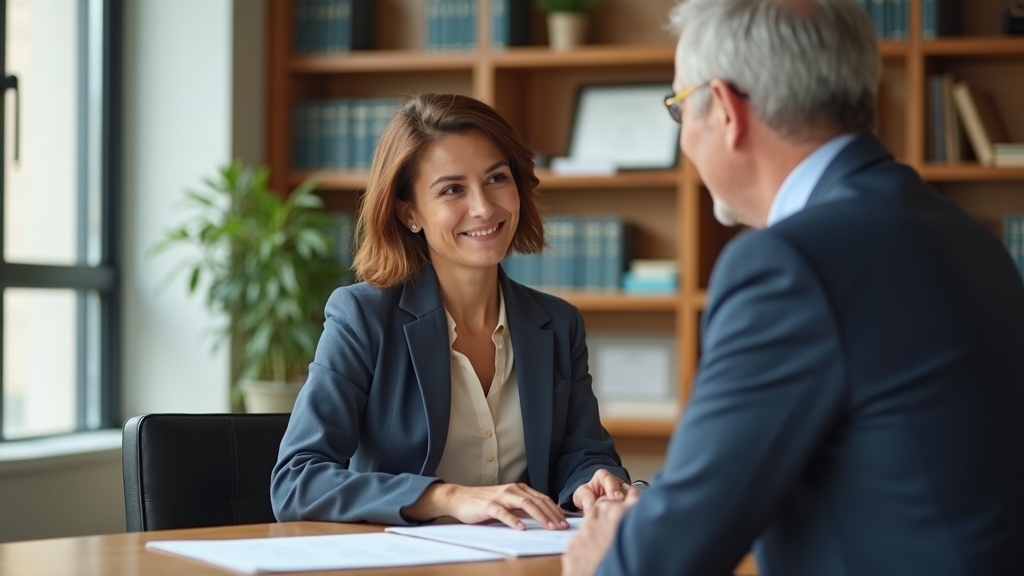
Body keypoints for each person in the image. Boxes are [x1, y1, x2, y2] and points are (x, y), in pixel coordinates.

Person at [563, 0, 1024, 574]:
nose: (683, 142)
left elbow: (666, 560)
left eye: (680, 108)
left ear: (727, 110)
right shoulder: (967, 235)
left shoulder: (789, 263)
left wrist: (601, 555)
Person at [271, 92, 632, 531]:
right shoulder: (362, 317)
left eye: (497, 179)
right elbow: (295, 481)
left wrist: (592, 481)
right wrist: (446, 496)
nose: (483, 207)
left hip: (525, 561)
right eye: (452, 189)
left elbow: (583, 452)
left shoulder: (558, 324)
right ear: (409, 213)